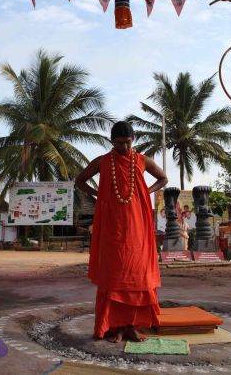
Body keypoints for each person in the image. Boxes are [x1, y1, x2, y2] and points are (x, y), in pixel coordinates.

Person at [75, 121, 168, 342]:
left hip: (137, 225)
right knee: (114, 275)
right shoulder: (103, 161)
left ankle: (132, 326)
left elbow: (163, 178)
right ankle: (113, 328)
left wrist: (147, 191)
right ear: (111, 142)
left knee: (136, 274)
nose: (124, 147)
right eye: (119, 143)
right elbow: (80, 180)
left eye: (127, 142)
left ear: (133, 140)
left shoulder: (143, 160)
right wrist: (98, 195)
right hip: (111, 226)